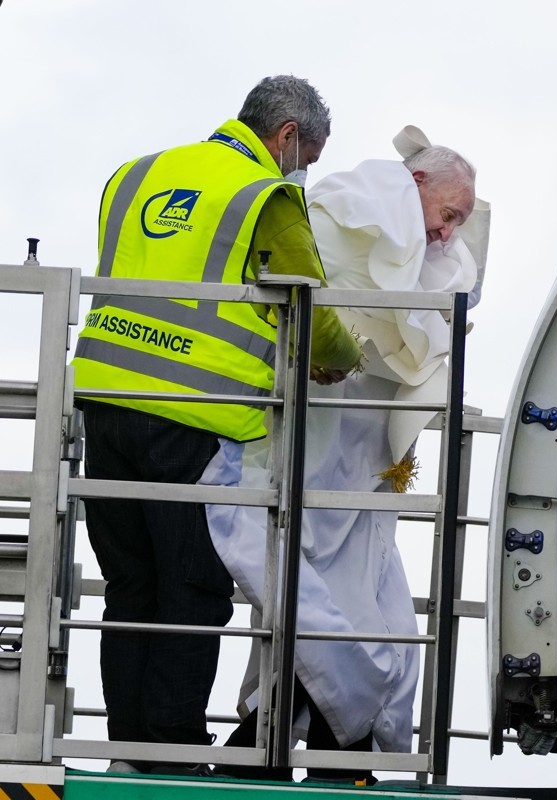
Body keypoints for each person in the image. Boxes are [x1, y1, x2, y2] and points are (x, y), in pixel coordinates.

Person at [71, 75, 362, 774]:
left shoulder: (139, 174)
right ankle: (172, 751)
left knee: (130, 588)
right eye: (307, 157)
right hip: (193, 416)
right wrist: (342, 359)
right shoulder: (265, 195)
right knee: (192, 591)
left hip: (104, 403)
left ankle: (130, 748)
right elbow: (308, 307)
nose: (302, 171)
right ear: (287, 136)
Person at [202, 126, 487, 782]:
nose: (447, 234)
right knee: (320, 592)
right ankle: (311, 746)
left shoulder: (421, 243)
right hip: (318, 431)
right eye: (447, 215)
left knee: (354, 599)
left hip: (365, 459)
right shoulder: (355, 203)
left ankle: (292, 746)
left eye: (458, 223)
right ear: (417, 182)